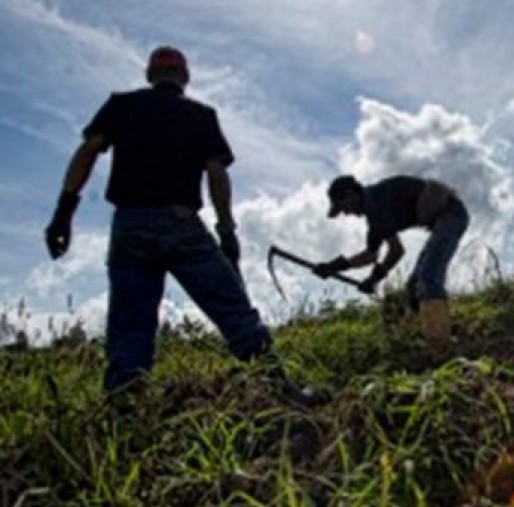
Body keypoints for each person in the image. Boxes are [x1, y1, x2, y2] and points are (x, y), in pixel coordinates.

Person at [44, 46, 323, 405]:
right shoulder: (200, 115)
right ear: (184, 78)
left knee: (129, 329)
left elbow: (87, 151)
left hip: (128, 226)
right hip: (180, 225)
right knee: (233, 310)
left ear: (149, 75)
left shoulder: (121, 105)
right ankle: (283, 393)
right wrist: (226, 231)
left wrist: (63, 213)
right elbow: (216, 173)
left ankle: (124, 412)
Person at [314, 174, 470, 353]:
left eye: (344, 207)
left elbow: (396, 251)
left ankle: (439, 345)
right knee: (413, 287)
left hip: (451, 214)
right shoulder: (374, 217)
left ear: (351, 194)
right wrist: (334, 266)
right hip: (439, 221)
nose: (347, 213)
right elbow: (370, 256)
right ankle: (423, 333)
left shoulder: (376, 201)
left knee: (428, 276)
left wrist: (374, 278)